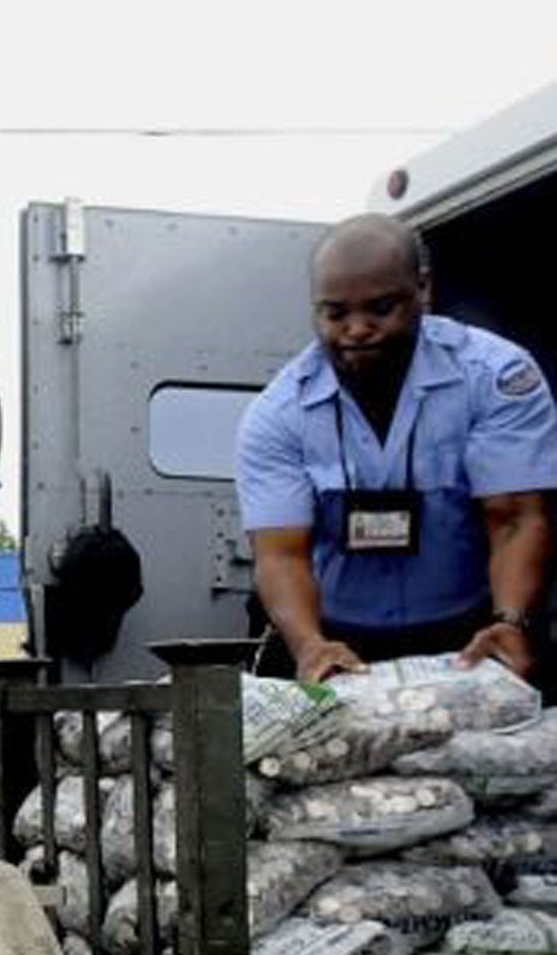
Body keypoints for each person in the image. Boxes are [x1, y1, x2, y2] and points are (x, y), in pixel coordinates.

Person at [238, 213, 557, 685]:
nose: (357, 329)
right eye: (336, 313)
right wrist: (309, 645)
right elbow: (282, 555)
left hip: (471, 634)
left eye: (380, 309)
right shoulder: (278, 413)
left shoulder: (495, 377)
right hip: (333, 640)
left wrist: (509, 622)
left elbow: (516, 519)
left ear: (423, 290)